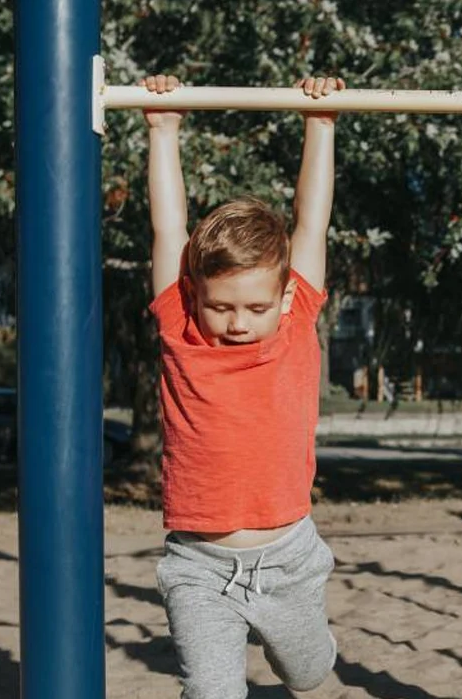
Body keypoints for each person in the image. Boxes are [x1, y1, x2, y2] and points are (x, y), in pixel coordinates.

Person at [142, 72, 346, 698]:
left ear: (285, 296)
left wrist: (321, 123)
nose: (236, 323)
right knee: (212, 692)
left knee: (309, 675)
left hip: (287, 558)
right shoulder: (181, 324)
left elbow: (311, 223)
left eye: (254, 309)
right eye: (220, 307)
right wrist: (163, 128)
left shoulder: (293, 318)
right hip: (199, 566)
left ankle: (310, 645)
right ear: (195, 294)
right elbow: (167, 231)